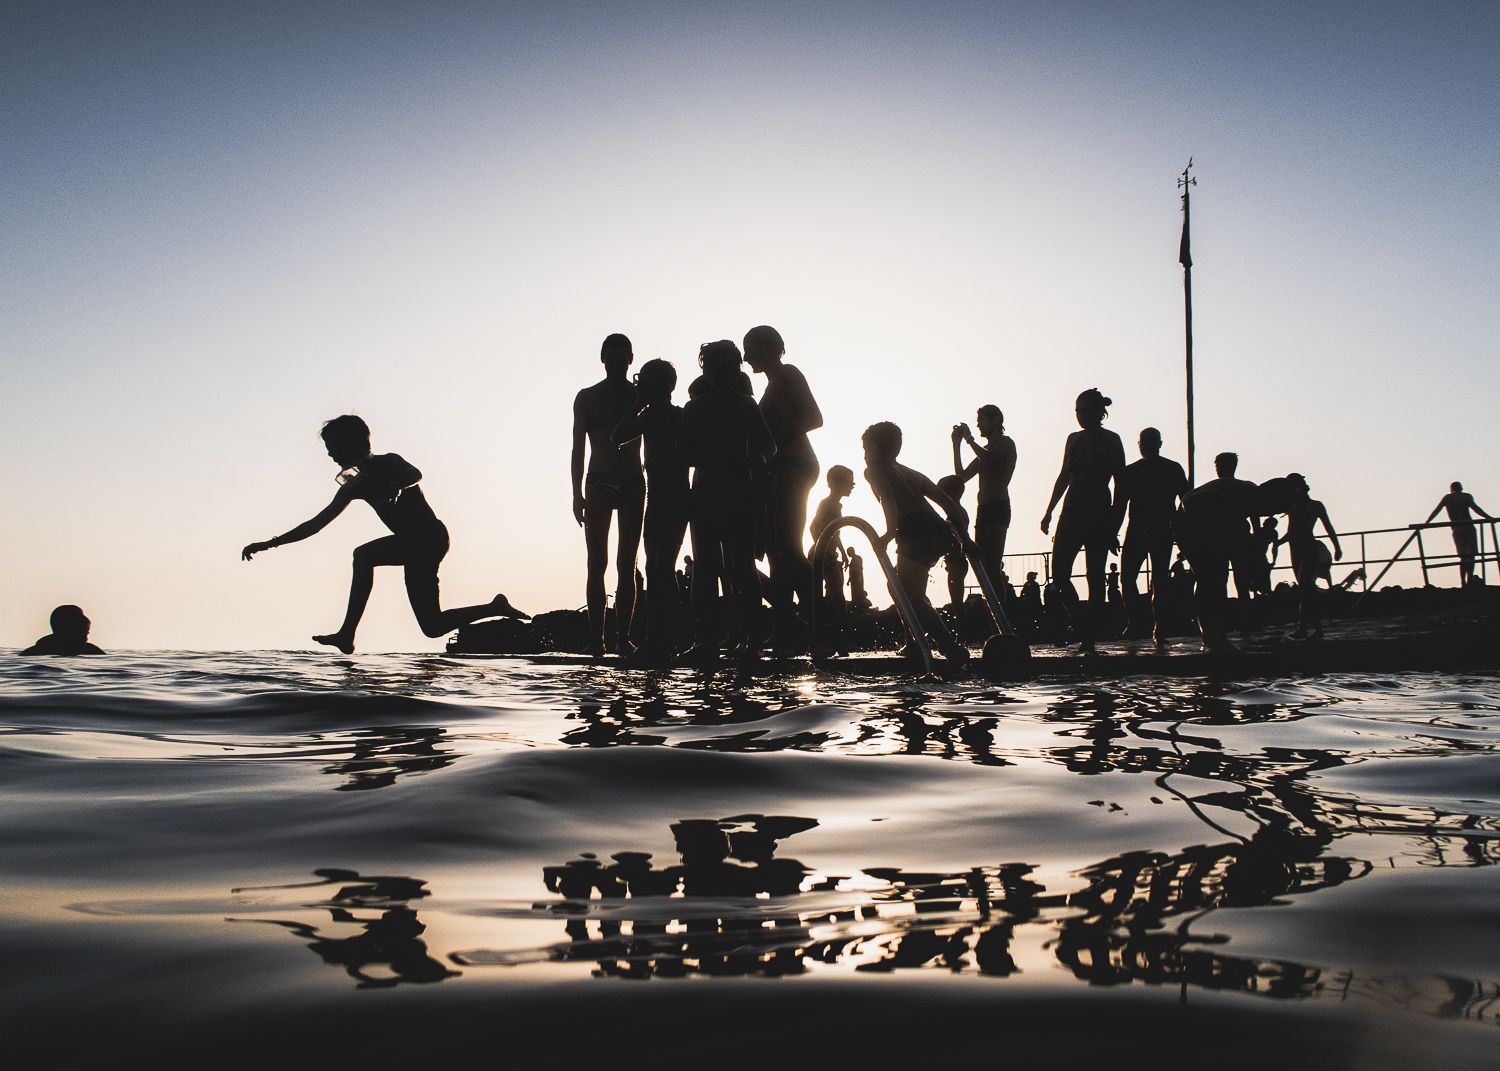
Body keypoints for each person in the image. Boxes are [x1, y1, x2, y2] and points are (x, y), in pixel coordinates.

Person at [242, 415, 527, 653]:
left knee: (363, 555)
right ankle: (494, 606)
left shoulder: (388, 462)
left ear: (353, 442)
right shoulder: (353, 486)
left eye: (332, 446)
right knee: (433, 627)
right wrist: (270, 543)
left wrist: (397, 486)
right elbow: (316, 524)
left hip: (430, 538)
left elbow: (415, 473)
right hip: (411, 545)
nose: (329, 454)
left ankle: (346, 634)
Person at [682, 340, 776, 662]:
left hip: (730, 489)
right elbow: (685, 454)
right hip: (718, 490)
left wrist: (754, 461)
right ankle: (714, 638)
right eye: (717, 367)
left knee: (732, 567)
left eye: (727, 366)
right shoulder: (700, 408)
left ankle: (743, 639)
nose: (723, 372)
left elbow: (767, 447)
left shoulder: (741, 406)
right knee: (715, 567)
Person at [862, 421, 970, 668]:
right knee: (900, 587)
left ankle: (949, 648)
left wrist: (888, 533)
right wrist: (965, 538)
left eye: (867, 449)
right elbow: (948, 503)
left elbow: (888, 499)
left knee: (909, 593)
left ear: (881, 450)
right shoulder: (910, 472)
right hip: (938, 530)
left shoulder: (874, 471)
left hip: (913, 530)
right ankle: (914, 638)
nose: (865, 455)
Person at [744, 325, 823, 652]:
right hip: (778, 470)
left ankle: (820, 625)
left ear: (767, 348)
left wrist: (769, 439)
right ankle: (785, 627)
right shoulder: (771, 386)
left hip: (796, 466)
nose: (746, 358)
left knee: (788, 547)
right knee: (776, 550)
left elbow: (814, 418)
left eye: (750, 350)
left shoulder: (788, 374)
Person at [571, 333, 645, 657]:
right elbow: (577, 449)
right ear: (602, 358)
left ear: (630, 359)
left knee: (626, 563)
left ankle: (623, 639)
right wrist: (576, 493)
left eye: (621, 360)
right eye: (610, 359)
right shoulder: (586, 398)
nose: (615, 365)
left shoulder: (641, 396)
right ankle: (597, 640)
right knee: (596, 563)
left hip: (632, 481)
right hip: (597, 482)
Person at [612, 359, 690, 665]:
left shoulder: (677, 416)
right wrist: (638, 405)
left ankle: (663, 638)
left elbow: (617, 437)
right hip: (657, 500)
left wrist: (638, 404)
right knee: (656, 567)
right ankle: (658, 637)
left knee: (662, 566)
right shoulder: (650, 416)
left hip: (675, 498)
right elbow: (617, 437)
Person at [1039, 389, 1126, 649]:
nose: (1081, 416)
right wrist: (1049, 510)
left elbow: (1122, 484)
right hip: (1071, 511)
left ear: (1100, 412)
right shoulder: (1073, 439)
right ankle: (1079, 621)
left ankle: (1090, 634)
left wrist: (1115, 524)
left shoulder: (1112, 440)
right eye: (1077, 411)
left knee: (1095, 575)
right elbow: (1064, 475)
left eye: (1086, 410)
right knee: (1059, 574)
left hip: (1099, 511)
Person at [1112, 427, 1188, 643]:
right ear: (1160, 443)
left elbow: (1119, 506)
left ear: (1140, 445)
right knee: (1159, 578)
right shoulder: (1172, 468)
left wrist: (1112, 532)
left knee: (1130, 578)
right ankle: (1157, 626)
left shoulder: (1131, 472)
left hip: (1139, 529)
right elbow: (1185, 502)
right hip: (1161, 529)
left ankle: (1139, 622)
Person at [1179, 452, 1260, 651]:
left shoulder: (1204, 492)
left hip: (1225, 538)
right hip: (1226, 538)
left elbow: (1254, 513)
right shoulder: (1244, 487)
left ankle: (1227, 629)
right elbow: (1255, 512)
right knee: (1230, 583)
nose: (1219, 467)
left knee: (1226, 583)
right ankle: (1232, 627)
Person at [952, 405, 1016, 594]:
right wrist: (956, 445)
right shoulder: (983, 451)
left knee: (992, 567)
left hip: (999, 507)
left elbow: (990, 459)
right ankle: (994, 610)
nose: (978, 425)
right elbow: (961, 476)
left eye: (981, 420)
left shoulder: (1006, 443)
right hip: (984, 509)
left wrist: (969, 440)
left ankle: (1003, 612)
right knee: (981, 566)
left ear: (995, 420)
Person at [1283, 475, 1342, 639]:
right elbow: (1291, 531)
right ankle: (1308, 628)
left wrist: (1337, 547)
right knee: (1305, 590)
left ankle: (1310, 628)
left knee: (1304, 587)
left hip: (1308, 547)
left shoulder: (1314, 506)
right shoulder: (1291, 506)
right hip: (1294, 549)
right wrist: (1280, 542)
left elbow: (1328, 526)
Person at [809, 465, 855, 653]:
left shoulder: (836, 505)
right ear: (837, 483)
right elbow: (814, 528)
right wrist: (824, 549)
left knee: (836, 598)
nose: (852, 487)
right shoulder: (827, 503)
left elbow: (835, 532)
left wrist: (842, 553)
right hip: (821, 555)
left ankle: (836, 640)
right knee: (831, 598)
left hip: (830, 553)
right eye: (850, 482)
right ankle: (830, 640)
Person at [1426, 482, 1493, 587]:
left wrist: (1427, 523)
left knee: (1463, 556)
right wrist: (1489, 518)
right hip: (1469, 526)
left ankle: (1463, 581)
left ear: (1451, 489)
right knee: (1471, 555)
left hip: (1457, 528)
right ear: (1461, 488)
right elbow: (1476, 509)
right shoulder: (1466, 496)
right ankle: (1469, 579)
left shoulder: (1447, 498)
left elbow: (1436, 511)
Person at [936, 474, 971, 612]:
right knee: (956, 602)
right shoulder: (959, 510)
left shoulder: (956, 512)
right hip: (955, 560)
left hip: (957, 560)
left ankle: (962, 629)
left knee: (957, 604)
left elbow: (952, 535)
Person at [21, 605, 104, 655]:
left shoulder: (32, 652)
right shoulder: (92, 652)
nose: (86, 639)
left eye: (86, 634)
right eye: (82, 634)